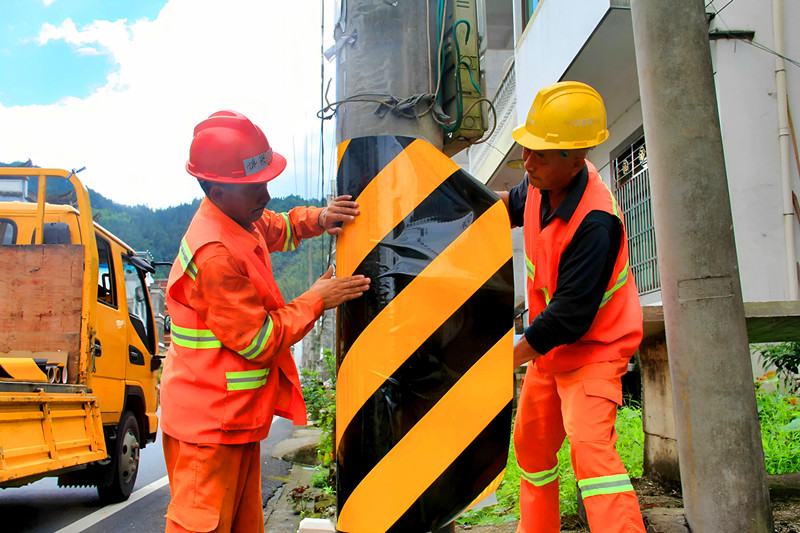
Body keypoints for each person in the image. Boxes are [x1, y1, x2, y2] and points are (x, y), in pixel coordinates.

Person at [159, 110, 370, 533]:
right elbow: (258, 340)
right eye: (256, 187)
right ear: (218, 191)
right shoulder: (214, 255)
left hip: (231, 419)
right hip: (209, 428)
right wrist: (316, 300)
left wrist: (320, 218)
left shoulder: (238, 218)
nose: (267, 195)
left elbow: (278, 227)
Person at [497, 82, 646, 533]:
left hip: (594, 351)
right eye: (527, 150)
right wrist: (452, 203)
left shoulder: (596, 222)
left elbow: (568, 317)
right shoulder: (540, 184)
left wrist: (503, 360)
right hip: (551, 351)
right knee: (532, 448)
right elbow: (505, 207)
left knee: (592, 455)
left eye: (540, 155)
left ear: (576, 160)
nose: (527, 162)